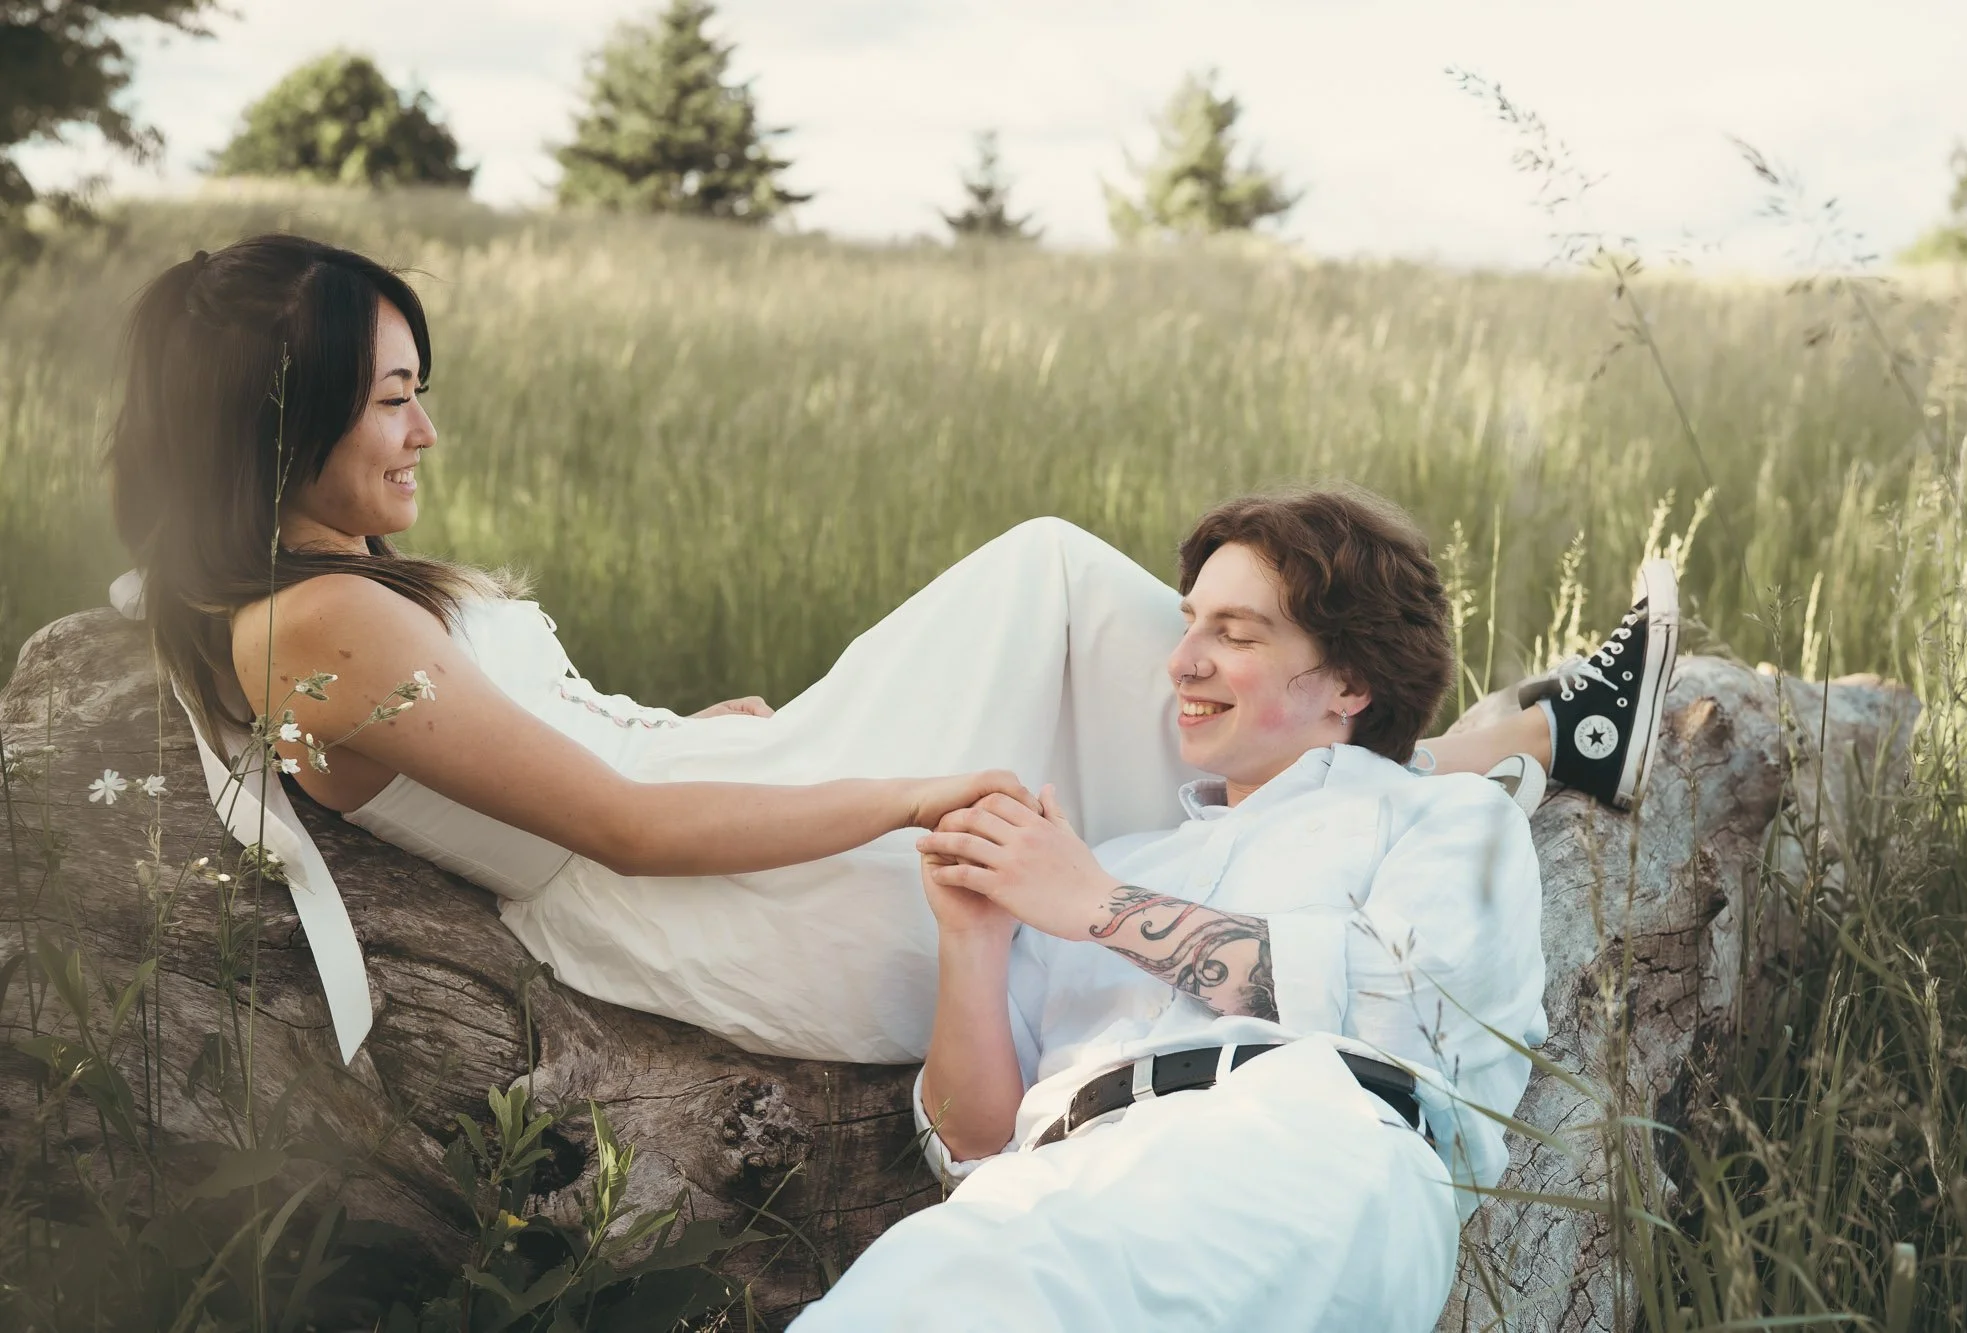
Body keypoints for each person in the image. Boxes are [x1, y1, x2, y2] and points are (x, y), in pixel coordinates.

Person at [105, 234, 1680, 1068]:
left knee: (1053, 586)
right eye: (389, 397)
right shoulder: (304, 619)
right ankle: (1480, 754)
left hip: (707, 790)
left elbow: (566, 753)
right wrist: (910, 787)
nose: (424, 428)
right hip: (722, 911)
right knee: (1055, 590)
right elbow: (623, 832)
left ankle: (1446, 750)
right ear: (278, 416)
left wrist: (686, 722)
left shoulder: (311, 581)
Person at [791, 490, 1550, 1332]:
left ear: (1352, 681)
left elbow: (1398, 1004)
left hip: (1304, 1143)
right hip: (1048, 1188)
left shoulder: (1446, 820)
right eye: (1189, 624)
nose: (1182, 660)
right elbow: (969, 1142)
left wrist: (1098, 907)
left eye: (1234, 633)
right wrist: (973, 938)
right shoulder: (1114, 859)